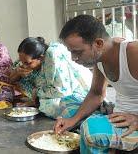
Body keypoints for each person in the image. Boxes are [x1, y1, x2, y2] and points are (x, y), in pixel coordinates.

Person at [54, 15, 138, 153]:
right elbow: (96, 93)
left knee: (91, 129)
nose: (73, 58)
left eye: (77, 52)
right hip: (119, 114)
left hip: (133, 121)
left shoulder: (133, 53)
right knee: (67, 105)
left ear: (98, 43)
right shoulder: (100, 58)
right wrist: (73, 120)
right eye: (71, 52)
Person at [10, 37, 92, 118]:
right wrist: (17, 72)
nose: (24, 66)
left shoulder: (52, 57)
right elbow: (11, 78)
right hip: (48, 94)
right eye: (22, 62)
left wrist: (37, 94)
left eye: (27, 63)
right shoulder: (26, 59)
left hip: (75, 93)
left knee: (51, 106)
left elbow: (62, 91)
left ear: (41, 58)